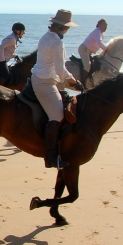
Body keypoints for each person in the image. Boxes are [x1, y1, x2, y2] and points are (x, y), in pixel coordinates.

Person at [31, 9, 83, 169]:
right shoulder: (58, 43)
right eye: (67, 27)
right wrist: (74, 81)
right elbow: (61, 70)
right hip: (45, 82)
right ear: (64, 27)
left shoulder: (46, 36)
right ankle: (51, 158)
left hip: (39, 77)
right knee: (58, 116)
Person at [78, 18, 108, 85]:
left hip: (89, 51)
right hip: (84, 50)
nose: (106, 27)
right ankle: (80, 83)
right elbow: (100, 43)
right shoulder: (97, 31)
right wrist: (106, 49)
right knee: (87, 66)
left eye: (106, 25)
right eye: (104, 25)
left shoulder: (100, 33)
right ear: (99, 25)